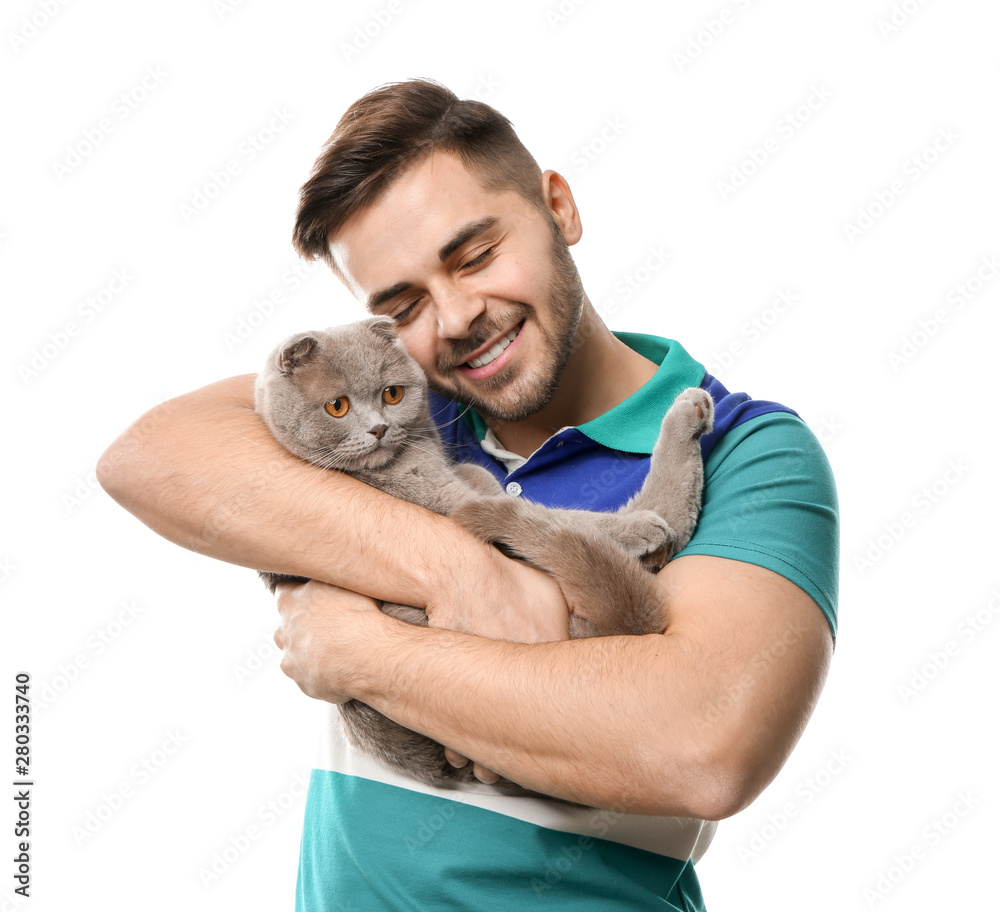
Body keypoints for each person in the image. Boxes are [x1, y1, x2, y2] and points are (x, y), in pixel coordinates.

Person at [98, 78, 838, 911]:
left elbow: (702, 744)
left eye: (475, 255)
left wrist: (370, 652)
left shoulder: (748, 447)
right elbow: (144, 458)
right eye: (403, 303)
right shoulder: (392, 409)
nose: (453, 319)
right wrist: (458, 571)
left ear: (559, 207)